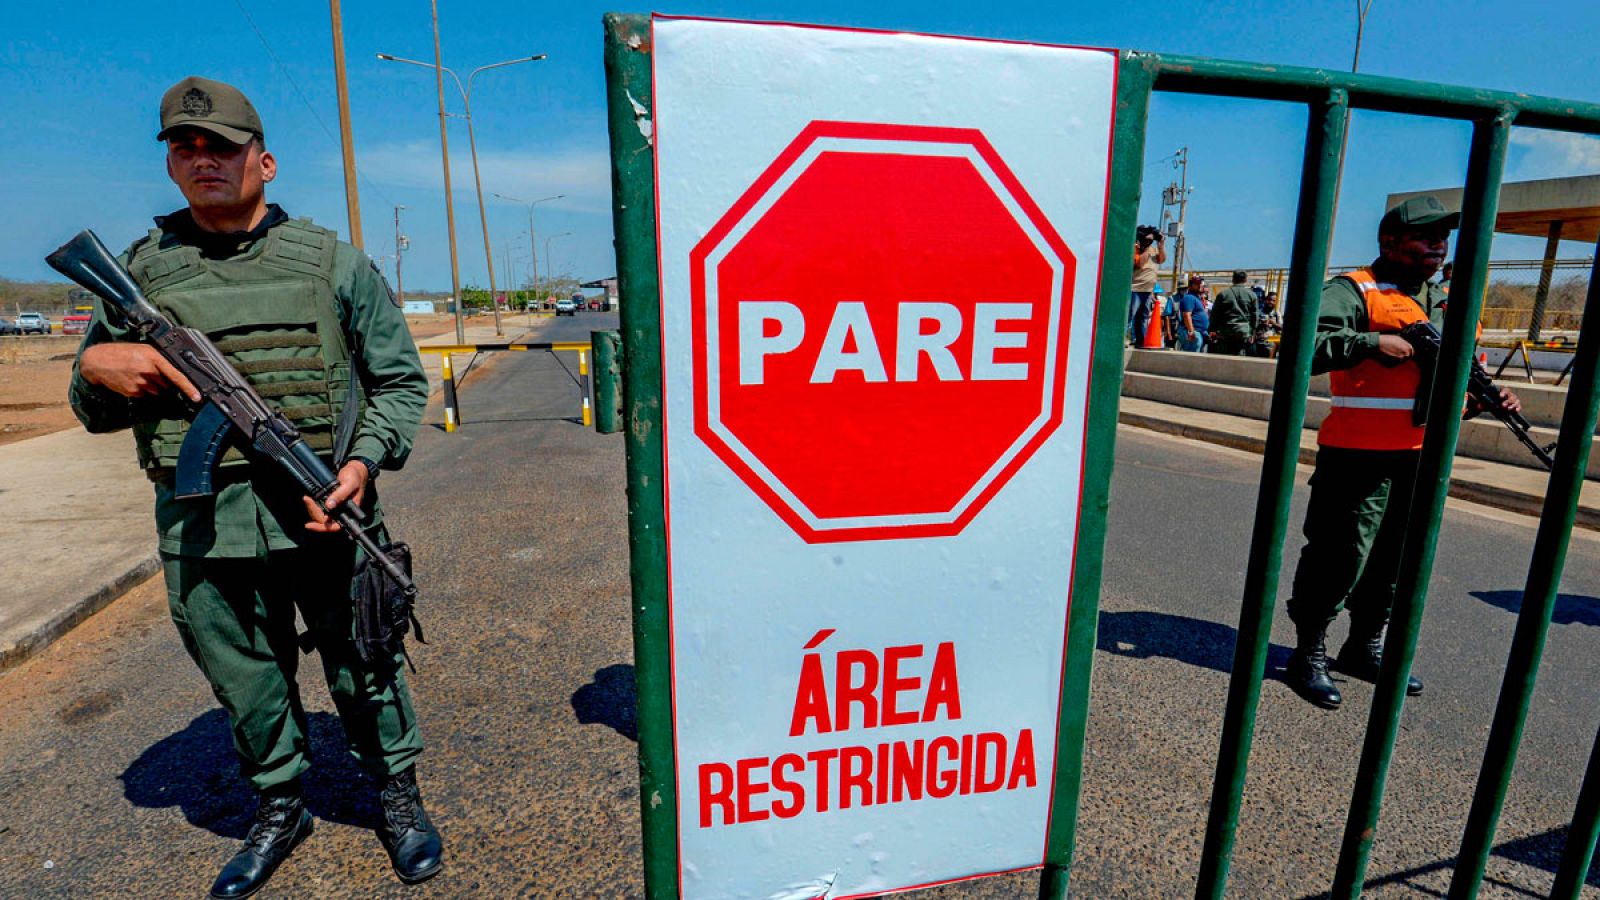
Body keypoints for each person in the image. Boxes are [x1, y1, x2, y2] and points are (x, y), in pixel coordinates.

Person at [67, 77, 443, 895]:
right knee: (244, 674)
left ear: (263, 161)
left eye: (223, 147)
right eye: (184, 147)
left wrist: (360, 464)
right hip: (207, 526)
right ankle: (281, 805)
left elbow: (401, 383)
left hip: (326, 512)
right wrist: (97, 366)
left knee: (366, 660)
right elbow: (90, 408)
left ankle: (398, 794)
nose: (203, 160)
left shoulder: (333, 265)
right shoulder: (137, 275)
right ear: (170, 164)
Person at [1282, 195, 1520, 709]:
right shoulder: (1355, 291)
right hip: (1357, 452)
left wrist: (1482, 397)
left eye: (1443, 236)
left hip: (1420, 455)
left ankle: (1364, 646)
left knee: (1396, 559)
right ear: (1389, 240)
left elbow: (1449, 378)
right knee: (1340, 553)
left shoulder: (1447, 300)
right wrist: (1370, 343)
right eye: (1425, 235)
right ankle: (1309, 652)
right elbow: (1302, 341)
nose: (1438, 244)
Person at [1130, 226, 1167, 346]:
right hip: (1135, 288)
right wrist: (1145, 248)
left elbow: (1162, 259)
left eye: (1151, 240)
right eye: (1147, 239)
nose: (1150, 242)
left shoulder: (1154, 250)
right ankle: (1124, 339)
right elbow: (1139, 263)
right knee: (1130, 315)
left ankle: (1140, 341)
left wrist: (1161, 245)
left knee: (1143, 317)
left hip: (1147, 290)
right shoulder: (1137, 249)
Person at [1209, 270, 1260, 356]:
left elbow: (1215, 314)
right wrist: (1252, 332)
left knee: (1223, 358)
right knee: (1239, 358)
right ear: (1245, 280)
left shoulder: (1223, 294)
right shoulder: (1252, 295)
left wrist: (1212, 330)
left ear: (1233, 279)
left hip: (1225, 331)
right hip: (1243, 332)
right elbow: (1255, 316)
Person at [1175, 275, 1210, 352]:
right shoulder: (1189, 297)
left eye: (1200, 283)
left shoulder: (1197, 298)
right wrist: (1191, 331)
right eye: (1197, 283)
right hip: (1192, 332)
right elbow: (1187, 315)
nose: (1200, 285)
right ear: (1191, 285)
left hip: (1199, 332)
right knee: (1191, 357)